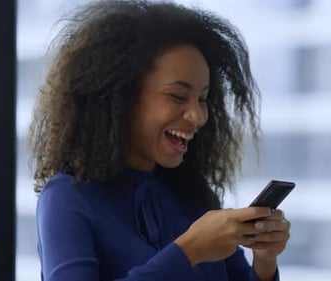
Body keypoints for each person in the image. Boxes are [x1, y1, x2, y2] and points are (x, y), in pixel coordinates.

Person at [28, 0, 291, 280]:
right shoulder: (68, 198)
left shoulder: (192, 196)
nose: (198, 116)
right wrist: (189, 251)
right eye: (178, 96)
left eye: (203, 99)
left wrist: (264, 260)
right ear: (120, 98)